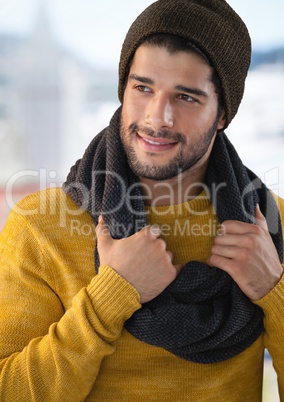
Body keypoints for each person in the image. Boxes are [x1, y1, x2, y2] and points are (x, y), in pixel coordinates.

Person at [0, 0, 283, 400]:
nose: (157, 117)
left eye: (186, 97)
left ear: (223, 114)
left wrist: (274, 290)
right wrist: (111, 296)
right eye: (143, 88)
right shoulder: (40, 225)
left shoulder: (269, 226)